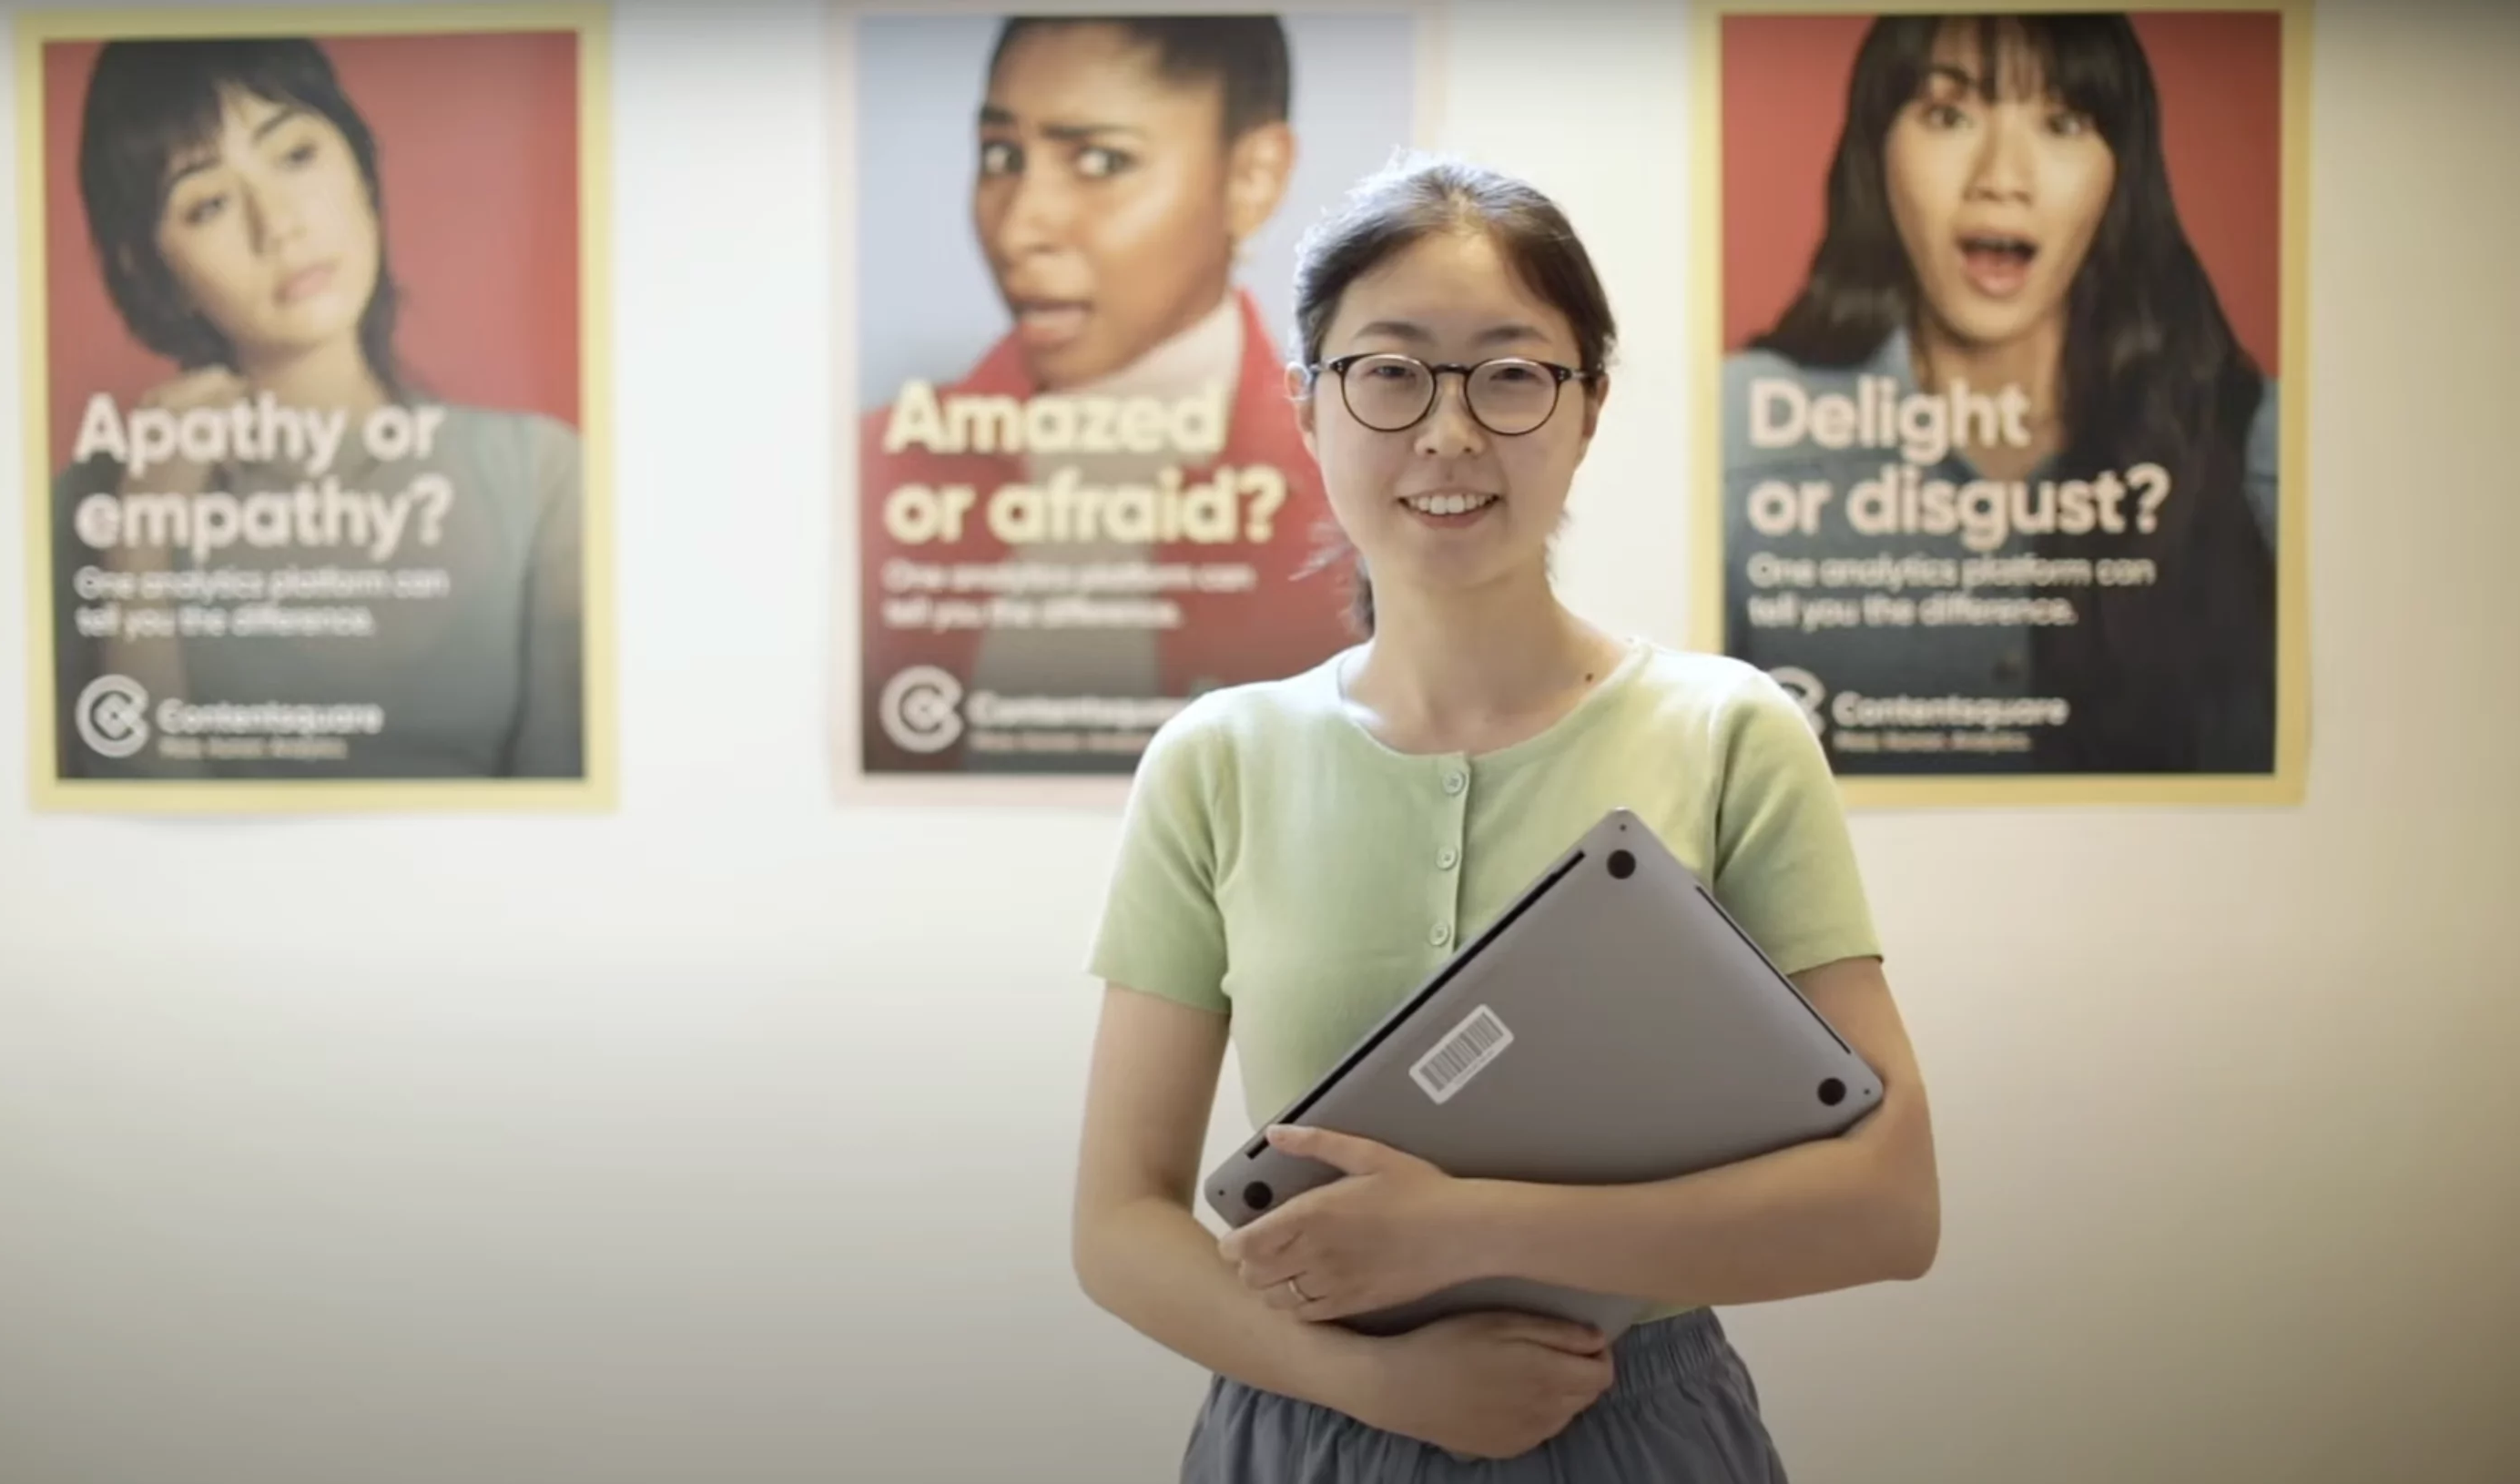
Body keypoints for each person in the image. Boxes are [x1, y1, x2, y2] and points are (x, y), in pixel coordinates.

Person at [1072, 153, 1940, 1481]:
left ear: (1585, 408)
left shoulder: (1725, 731)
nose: (1449, 431)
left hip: (1640, 1427)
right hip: (1307, 1423)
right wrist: (1366, 1376)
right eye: (1391, 368)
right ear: (1307, 404)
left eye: (1512, 370)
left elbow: (1887, 1205)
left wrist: (1467, 1227)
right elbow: (1117, 1221)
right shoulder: (1215, 758)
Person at [1722, 13, 2280, 776]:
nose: (2003, 176)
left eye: (2063, 120)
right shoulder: (1741, 431)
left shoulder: (2255, 443)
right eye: (1948, 114)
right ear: (1875, 152)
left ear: (2122, 175)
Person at [47, 37, 584, 780]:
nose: (279, 226)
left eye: (295, 155)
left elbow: (574, 836)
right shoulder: (90, 509)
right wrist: (142, 533)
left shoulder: (540, 477)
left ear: (361, 170)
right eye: (208, 203)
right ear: (153, 268)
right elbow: (117, 830)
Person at [856, 15, 1353, 774]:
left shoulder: (1357, 493)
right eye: (1001, 155)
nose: (1020, 227)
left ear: (1253, 177)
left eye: (1099, 160)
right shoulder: (868, 472)